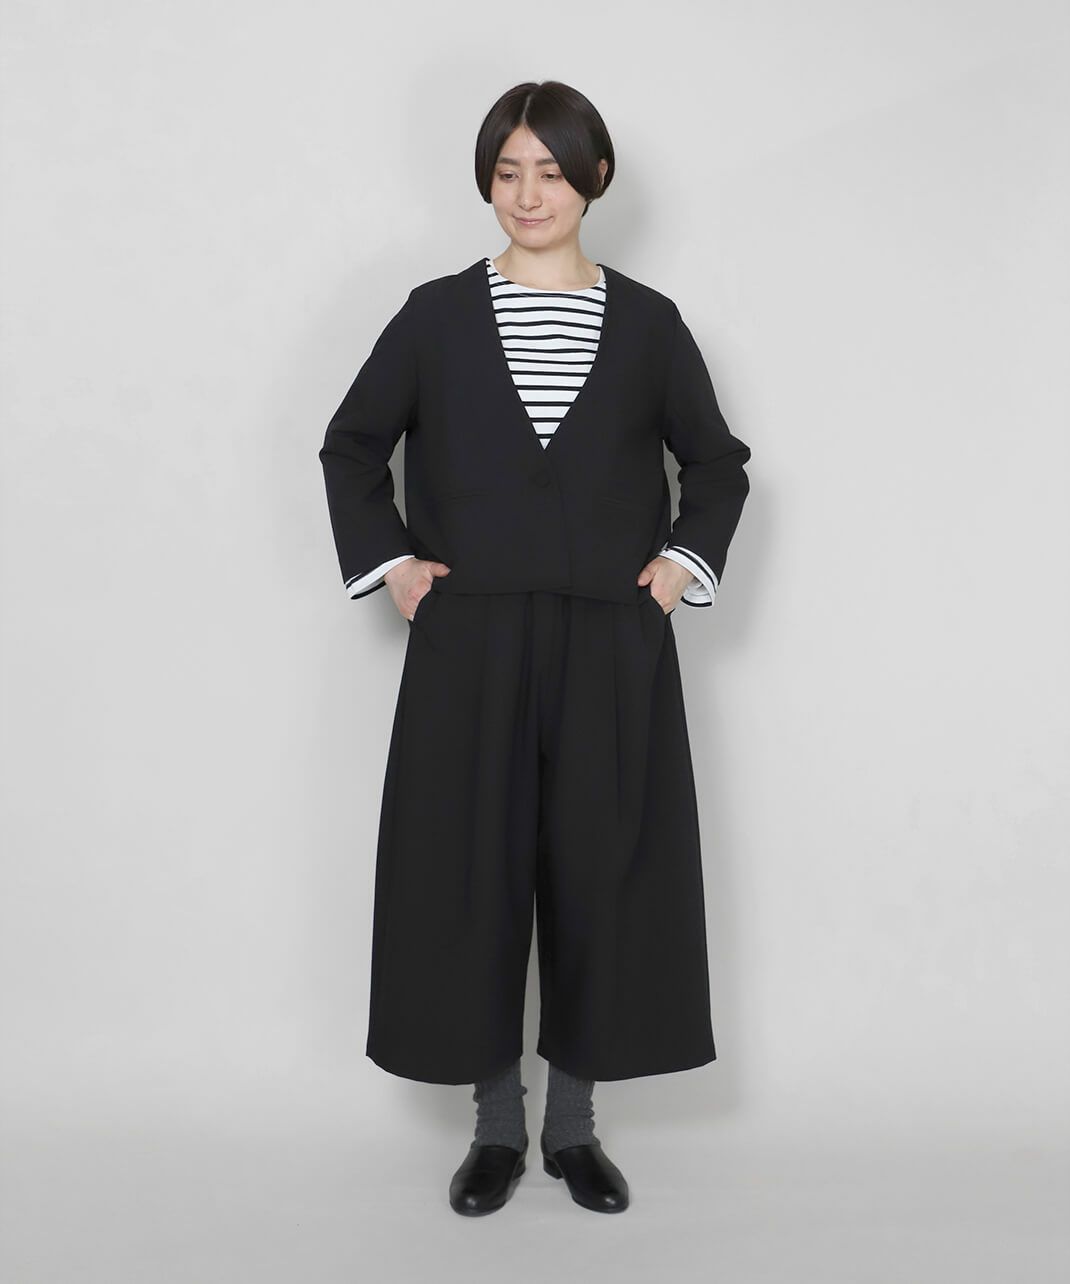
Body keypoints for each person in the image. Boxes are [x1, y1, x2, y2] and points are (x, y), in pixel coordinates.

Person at [318, 79, 752, 1216]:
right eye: (508, 172)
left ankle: (573, 1129)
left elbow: (715, 464)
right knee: (469, 869)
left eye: (550, 172)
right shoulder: (434, 317)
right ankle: (496, 1128)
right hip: (469, 639)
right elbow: (351, 447)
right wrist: (394, 566)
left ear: (593, 178)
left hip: (612, 640)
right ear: (487, 181)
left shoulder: (648, 324)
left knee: (601, 870)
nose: (528, 194)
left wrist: (680, 565)